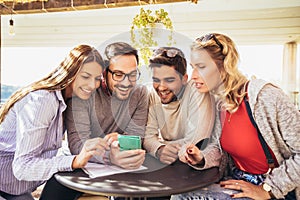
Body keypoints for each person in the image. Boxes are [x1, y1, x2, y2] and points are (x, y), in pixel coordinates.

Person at [171, 33, 300, 200]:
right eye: (193, 67)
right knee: (179, 196)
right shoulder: (219, 104)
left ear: (224, 66)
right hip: (236, 180)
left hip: (272, 188)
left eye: (201, 67)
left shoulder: (266, 97)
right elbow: (220, 149)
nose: (193, 75)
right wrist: (201, 158)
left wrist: (268, 189)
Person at [0, 44, 107, 200]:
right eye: (85, 76)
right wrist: (74, 161)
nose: (92, 85)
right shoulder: (43, 101)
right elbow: (22, 167)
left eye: (97, 79)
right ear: (69, 72)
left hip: (18, 190)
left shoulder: (69, 101)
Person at [66, 41, 148, 168]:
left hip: (121, 167)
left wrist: (120, 141)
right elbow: (77, 144)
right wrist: (108, 156)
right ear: (104, 74)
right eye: (118, 75)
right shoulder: (84, 93)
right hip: (82, 168)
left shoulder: (140, 93)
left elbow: (137, 136)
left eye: (132, 74)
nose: (126, 83)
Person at [143, 47, 215, 165]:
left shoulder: (197, 91)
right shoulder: (152, 94)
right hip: (167, 163)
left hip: (197, 163)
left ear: (184, 79)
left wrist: (159, 145)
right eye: (156, 80)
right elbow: (148, 137)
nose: (161, 87)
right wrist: (159, 150)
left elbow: (197, 141)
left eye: (169, 80)